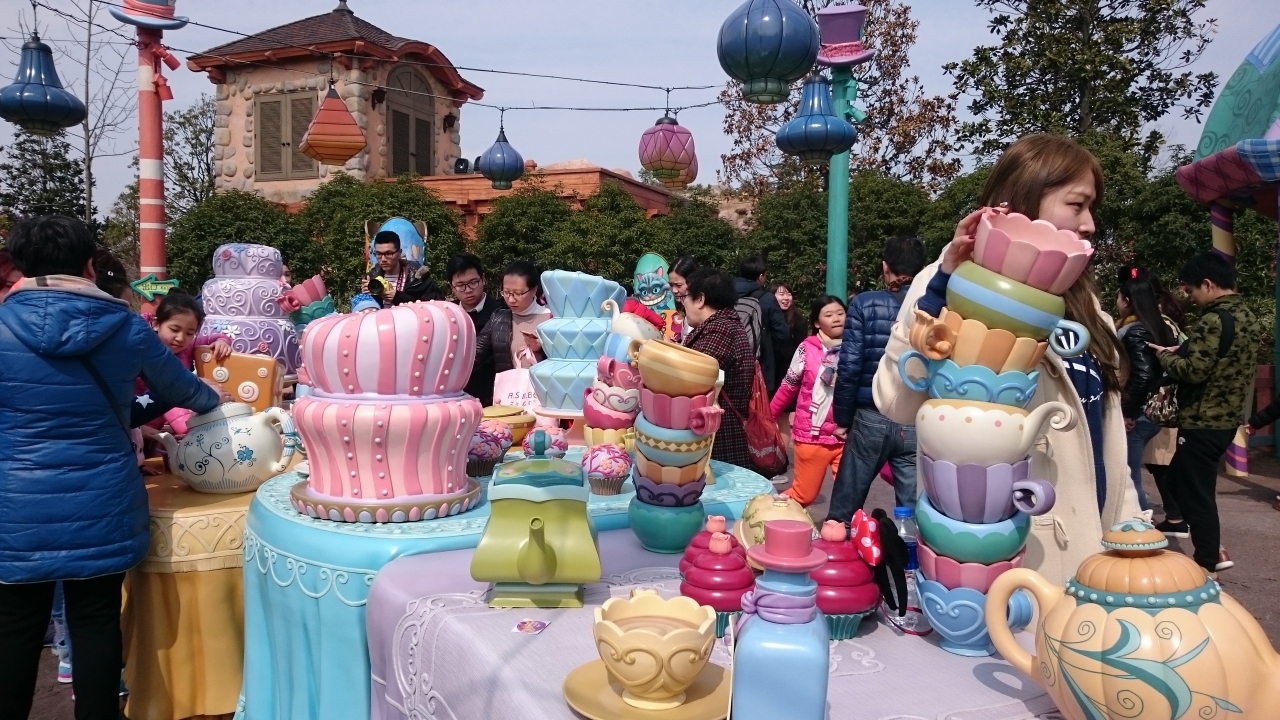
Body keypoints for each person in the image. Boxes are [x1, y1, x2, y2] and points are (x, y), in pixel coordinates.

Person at [871, 134, 1143, 588]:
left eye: (1092, 208)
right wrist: (940, 289)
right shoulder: (953, 282)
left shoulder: (1086, 305)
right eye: (1076, 205)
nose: (1090, 224)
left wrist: (1131, 527)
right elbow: (896, 402)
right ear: (1021, 201)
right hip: (1015, 561)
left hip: (1099, 553)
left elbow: (1106, 436)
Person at [0, 215, 229, 720]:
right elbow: (183, 391)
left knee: (14, 630)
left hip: (15, 510)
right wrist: (216, 397)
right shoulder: (125, 327)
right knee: (97, 625)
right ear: (88, 266)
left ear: (18, 266)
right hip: (101, 503)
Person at [1152, 252, 1263, 574]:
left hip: (1202, 420)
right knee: (1179, 480)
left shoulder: (1213, 320)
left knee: (1197, 494)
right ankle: (1210, 546)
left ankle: (1208, 560)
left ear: (1207, 284)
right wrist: (1185, 350)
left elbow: (1194, 371)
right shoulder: (1248, 317)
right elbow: (1220, 358)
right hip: (1226, 420)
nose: (1191, 298)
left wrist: (1165, 357)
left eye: (1191, 291)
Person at [828, 236, 927, 523]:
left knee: (845, 508)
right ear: (923, 270)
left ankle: (840, 543)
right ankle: (909, 551)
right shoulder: (937, 307)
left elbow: (850, 365)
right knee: (914, 511)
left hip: (871, 414)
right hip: (916, 418)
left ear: (885, 267)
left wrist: (842, 419)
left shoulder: (865, 303)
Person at [769, 295, 847, 506]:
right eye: (828, 315)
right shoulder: (806, 349)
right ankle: (769, 513)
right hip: (812, 435)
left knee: (851, 495)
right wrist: (769, 416)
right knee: (804, 495)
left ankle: (843, 526)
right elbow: (788, 386)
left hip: (846, 436)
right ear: (816, 322)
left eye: (840, 313)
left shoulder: (856, 348)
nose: (836, 318)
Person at [1115, 266, 1178, 511]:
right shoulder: (1158, 326)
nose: (1117, 303)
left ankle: (1139, 521)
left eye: (1119, 298)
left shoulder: (1135, 331)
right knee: (1132, 474)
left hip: (1138, 414)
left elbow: (1142, 375)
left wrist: (1127, 411)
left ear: (1127, 301)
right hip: (1152, 410)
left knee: (1130, 477)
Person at [682, 268, 754, 470]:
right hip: (719, 432)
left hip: (719, 438)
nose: (683, 303)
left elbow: (690, 375)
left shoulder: (720, 329)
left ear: (700, 299)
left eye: (685, 297)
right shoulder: (725, 325)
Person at [474, 260, 550, 377]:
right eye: (506, 292)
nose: (511, 300)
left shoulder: (551, 319)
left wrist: (543, 348)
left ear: (534, 290)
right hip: (508, 387)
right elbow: (476, 354)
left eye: (518, 293)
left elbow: (567, 359)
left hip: (542, 387)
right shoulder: (499, 318)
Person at [734, 255, 790, 394]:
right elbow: (782, 335)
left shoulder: (725, 293)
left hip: (730, 361)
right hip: (759, 364)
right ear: (760, 276)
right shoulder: (766, 298)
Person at [447, 253, 498, 403]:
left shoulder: (500, 313)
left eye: (473, 282)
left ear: (483, 279)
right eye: (460, 285)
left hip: (492, 397)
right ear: (451, 287)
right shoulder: (447, 315)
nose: (468, 290)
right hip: (454, 397)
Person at [361, 230, 443, 307]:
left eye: (388, 253)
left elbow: (434, 304)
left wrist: (398, 297)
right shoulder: (372, 276)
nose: (383, 259)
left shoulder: (418, 276)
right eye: (378, 254)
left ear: (399, 253)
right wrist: (366, 296)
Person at [668, 255, 698, 344]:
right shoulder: (682, 307)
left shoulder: (700, 312)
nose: (674, 290)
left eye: (679, 285)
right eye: (671, 285)